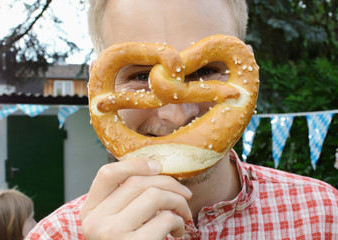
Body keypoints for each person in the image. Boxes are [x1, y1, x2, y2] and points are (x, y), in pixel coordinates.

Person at [26, 0, 338, 239]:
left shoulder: (326, 217)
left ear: (248, 69)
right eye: (140, 75)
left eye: (205, 71)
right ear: (99, 81)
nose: (177, 114)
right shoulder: (54, 234)